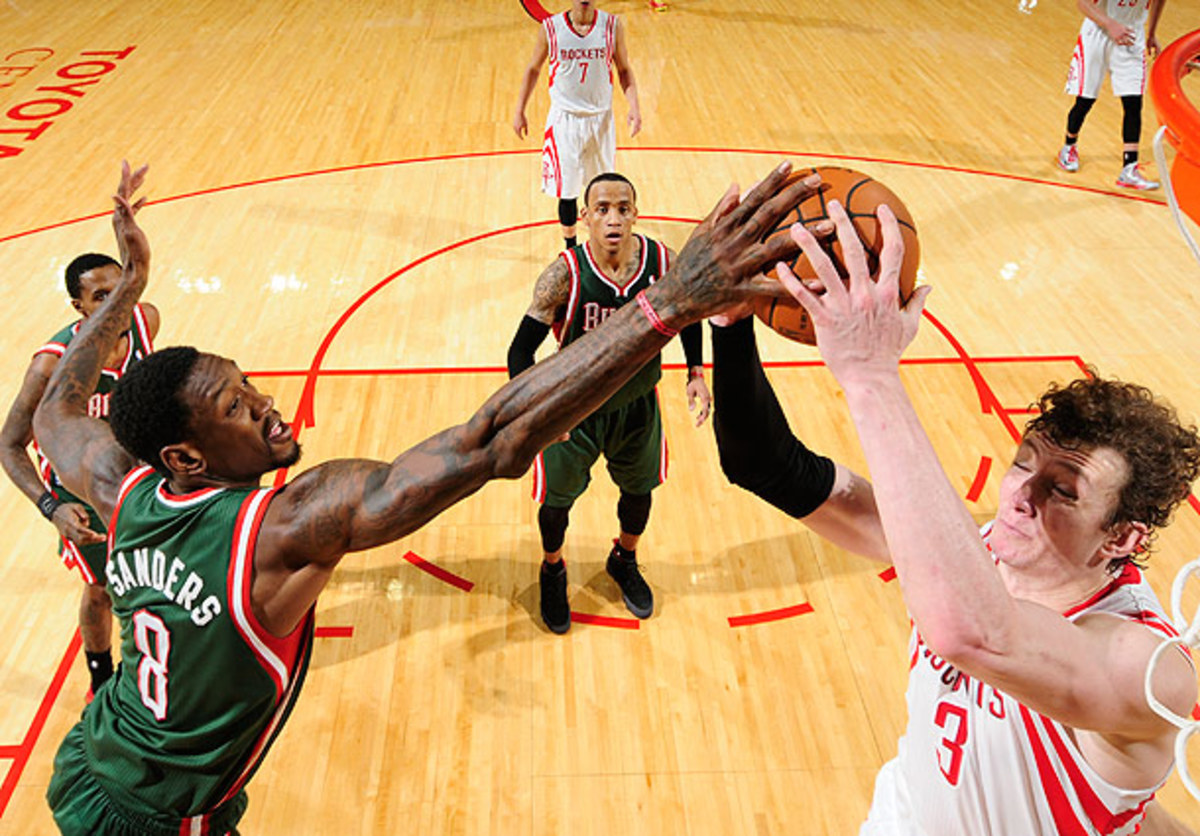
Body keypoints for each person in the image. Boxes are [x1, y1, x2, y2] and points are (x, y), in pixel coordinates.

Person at [33, 159, 816, 836]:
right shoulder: (285, 527)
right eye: (237, 408)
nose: (268, 405)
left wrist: (129, 290)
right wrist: (670, 303)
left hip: (94, 752)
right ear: (186, 456)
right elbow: (490, 442)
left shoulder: (120, 487)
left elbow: (56, 410)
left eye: (248, 383)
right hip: (164, 816)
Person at [709, 200, 1200, 834]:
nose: (1022, 496)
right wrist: (729, 324)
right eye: (1024, 464)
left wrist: (868, 372)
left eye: (1064, 491)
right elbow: (767, 466)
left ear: (1123, 537)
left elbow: (974, 633)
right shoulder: (979, 549)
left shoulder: (1143, 663)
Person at [507, 172, 710, 633]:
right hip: (573, 412)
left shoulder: (662, 262)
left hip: (638, 406)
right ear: (585, 218)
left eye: (623, 208)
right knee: (556, 504)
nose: (614, 218)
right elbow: (520, 351)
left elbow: (690, 313)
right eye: (602, 209)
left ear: (636, 213)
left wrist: (696, 371)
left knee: (639, 492)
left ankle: (624, 558)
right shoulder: (564, 273)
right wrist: (537, 413)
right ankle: (553, 569)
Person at [0, 252, 159, 699]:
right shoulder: (51, 366)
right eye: (100, 297)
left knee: (158, 571)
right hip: (81, 496)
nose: (114, 305)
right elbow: (8, 444)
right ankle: (100, 676)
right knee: (102, 589)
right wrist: (52, 509)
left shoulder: (145, 322)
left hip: (138, 478)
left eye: (119, 291)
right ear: (80, 307)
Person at [512, 0, 641, 250]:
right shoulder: (551, 28)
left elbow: (624, 69)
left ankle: (600, 245)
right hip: (565, 121)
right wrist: (519, 109)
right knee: (567, 191)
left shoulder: (612, 26)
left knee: (602, 191)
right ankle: (570, 248)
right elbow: (532, 69)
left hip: (600, 121)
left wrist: (634, 106)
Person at [1056, 0, 1167, 190]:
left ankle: (1129, 169)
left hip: (1131, 34)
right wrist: (1109, 24)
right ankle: (1069, 146)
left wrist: (1151, 33)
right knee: (1085, 100)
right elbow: (1083, 3)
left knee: (1133, 102)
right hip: (1098, 31)